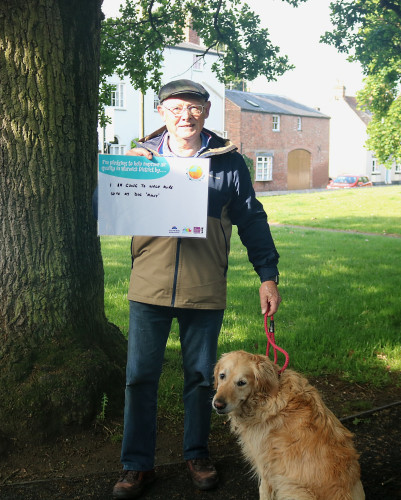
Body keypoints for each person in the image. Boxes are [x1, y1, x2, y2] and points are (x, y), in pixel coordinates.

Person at [111, 79, 281, 499]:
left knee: (203, 378)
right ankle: (136, 466)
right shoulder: (138, 158)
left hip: (205, 288)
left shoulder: (228, 162)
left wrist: (267, 275)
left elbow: (252, 220)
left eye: (193, 108)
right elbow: (118, 210)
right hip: (148, 287)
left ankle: (196, 453)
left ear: (206, 110)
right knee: (138, 378)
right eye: (174, 108)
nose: (184, 116)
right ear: (161, 112)